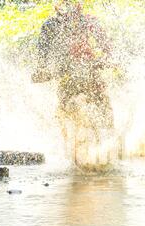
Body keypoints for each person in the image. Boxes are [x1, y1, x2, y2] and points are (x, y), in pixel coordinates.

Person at [32, 0, 114, 129]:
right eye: (64, 4)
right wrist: (41, 70)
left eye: (71, 3)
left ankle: (111, 132)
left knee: (102, 103)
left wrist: (107, 59)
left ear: (79, 6)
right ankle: (69, 140)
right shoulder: (50, 25)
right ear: (57, 7)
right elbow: (42, 54)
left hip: (90, 69)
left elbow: (107, 47)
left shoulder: (88, 21)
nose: (68, 8)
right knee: (64, 109)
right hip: (65, 74)